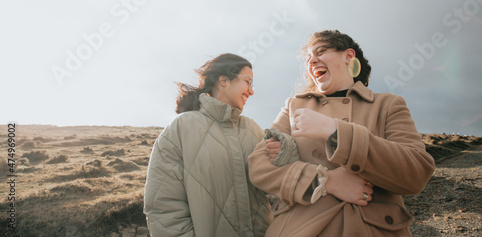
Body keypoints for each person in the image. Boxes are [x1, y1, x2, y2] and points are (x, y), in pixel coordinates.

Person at [248, 30, 435, 236]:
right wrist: (324, 181)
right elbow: (259, 167)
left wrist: (334, 130)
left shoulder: (388, 104)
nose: (313, 61)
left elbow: (416, 172)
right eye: (309, 58)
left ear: (348, 56)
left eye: (321, 51)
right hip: (301, 228)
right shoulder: (293, 106)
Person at [144, 53, 272, 237]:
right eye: (247, 81)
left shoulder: (253, 130)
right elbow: (163, 207)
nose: (251, 91)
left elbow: (274, 185)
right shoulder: (181, 128)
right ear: (224, 80)